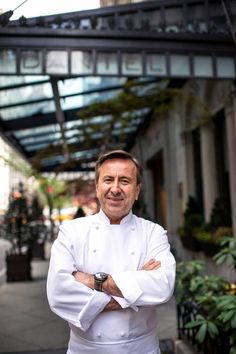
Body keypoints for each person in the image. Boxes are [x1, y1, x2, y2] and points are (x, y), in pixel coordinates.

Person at [47, 150, 176, 354]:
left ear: (137, 191)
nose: (115, 189)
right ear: (97, 187)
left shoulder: (153, 233)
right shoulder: (71, 232)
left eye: (124, 181)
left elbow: (162, 286)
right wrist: (134, 291)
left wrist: (94, 282)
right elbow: (59, 294)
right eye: (108, 180)